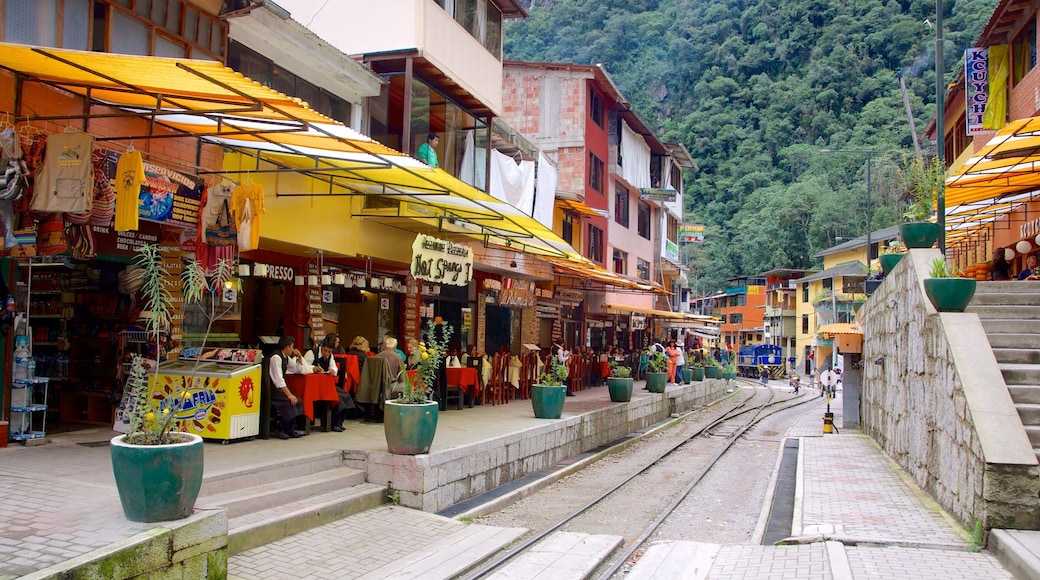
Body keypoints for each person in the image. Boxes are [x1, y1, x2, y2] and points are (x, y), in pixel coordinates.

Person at [306, 337, 356, 432]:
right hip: (314, 385)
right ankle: (333, 423)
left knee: (346, 396)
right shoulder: (311, 353)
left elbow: (334, 368)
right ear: (322, 347)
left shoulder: (330, 356)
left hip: (326, 384)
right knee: (338, 398)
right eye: (325, 350)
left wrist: (333, 370)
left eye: (329, 351)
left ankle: (339, 422)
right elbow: (303, 366)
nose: (326, 353)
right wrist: (313, 368)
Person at [268, 336, 307, 439]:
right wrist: (289, 394)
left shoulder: (286, 357)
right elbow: (278, 380)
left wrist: (299, 357)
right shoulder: (276, 358)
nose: (293, 349)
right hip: (273, 390)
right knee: (290, 401)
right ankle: (280, 428)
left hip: (280, 389)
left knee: (298, 400)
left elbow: (297, 370)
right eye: (292, 346)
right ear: (287, 346)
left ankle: (290, 429)